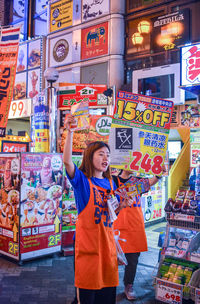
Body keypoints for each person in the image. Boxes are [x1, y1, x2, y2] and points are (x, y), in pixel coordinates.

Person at [63, 114, 126, 304]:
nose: (106, 158)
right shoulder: (82, 181)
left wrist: (121, 205)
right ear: (90, 156)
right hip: (87, 247)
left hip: (107, 247)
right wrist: (70, 131)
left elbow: (111, 214)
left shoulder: (110, 182)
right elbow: (67, 162)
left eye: (108, 154)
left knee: (107, 295)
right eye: (101, 154)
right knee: (87, 294)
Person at [112, 168, 166, 301]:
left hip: (134, 227)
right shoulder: (112, 180)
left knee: (133, 260)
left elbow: (151, 181)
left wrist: (159, 173)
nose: (134, 166)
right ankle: (108, 286)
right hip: (116, 227)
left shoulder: (137, 181)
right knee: (111, 259)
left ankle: (128, 285)